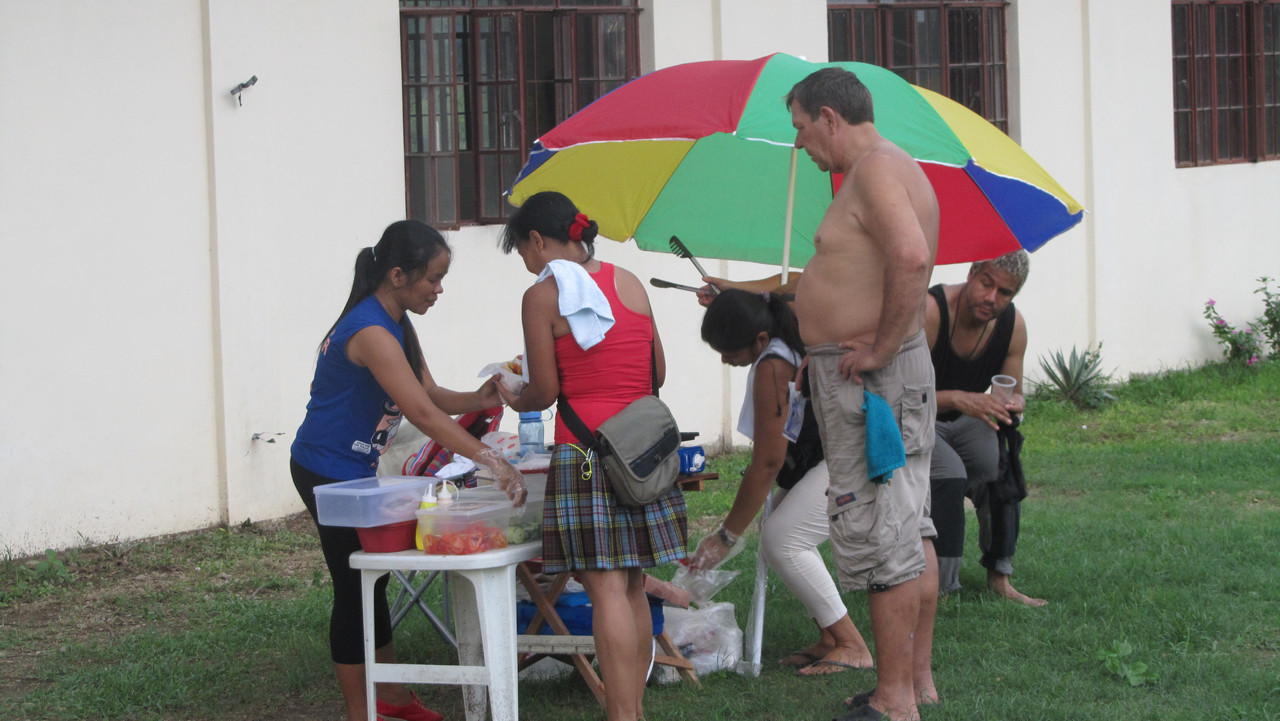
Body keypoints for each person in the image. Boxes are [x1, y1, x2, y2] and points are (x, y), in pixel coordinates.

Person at [290, 220, 525, 721]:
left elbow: (430, 394)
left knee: (371, 580)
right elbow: (421, 414)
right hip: (324, 469)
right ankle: (363, 712)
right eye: (433, 278)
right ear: (397, 275)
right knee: (353, 585)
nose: (439, 290)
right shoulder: (371, 331)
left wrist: (479, 397)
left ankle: (392, 700)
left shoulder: (396, 322)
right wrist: (493, 460)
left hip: (355, 470)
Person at [497, 191, 687, 721]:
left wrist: (514, 396)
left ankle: (620, 715)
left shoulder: (542, 297)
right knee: (631, 584)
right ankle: (634, 711)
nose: (527, 263)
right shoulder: (630, 283)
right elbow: (657, 372)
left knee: (604, 589)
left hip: (585, 453)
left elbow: (545, 391)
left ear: (538, 240)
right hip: (641, 451)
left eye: (523, 251)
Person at [788, 67, 941, 721]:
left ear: (829, 117)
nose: (800, 143)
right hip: (879, 373)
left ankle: (894, 698)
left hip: (874, 381)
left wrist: (879, 347)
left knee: (884, 531)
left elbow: (911, 258)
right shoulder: (890, 166)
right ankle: (916, 681)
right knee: (909, 524)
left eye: (801, 128)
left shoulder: (874, 169)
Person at [691, 289, 873, 675]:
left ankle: (852, 645)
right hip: (834, 451)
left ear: (760, 339)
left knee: (783, 538)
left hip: (853, 453)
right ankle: (830, 637)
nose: (724, 360)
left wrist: (725, 536)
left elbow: (768, 462)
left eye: (728, 351)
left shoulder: (773, 366)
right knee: (779, 531)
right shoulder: (782, 341)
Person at [925, 250, 1047, 607]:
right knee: (950, 474)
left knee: (999, 469)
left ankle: (1000, 576)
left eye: (1005, 292)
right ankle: (941, 587)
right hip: (916, 417)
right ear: (971, 273)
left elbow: (1014, 390)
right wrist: (960, 399)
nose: (992, 298)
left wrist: (1015, 403)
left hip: (966, 419)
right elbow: (900, 395)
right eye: (986, 284)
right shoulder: (932, 312)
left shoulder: (1012, 326)